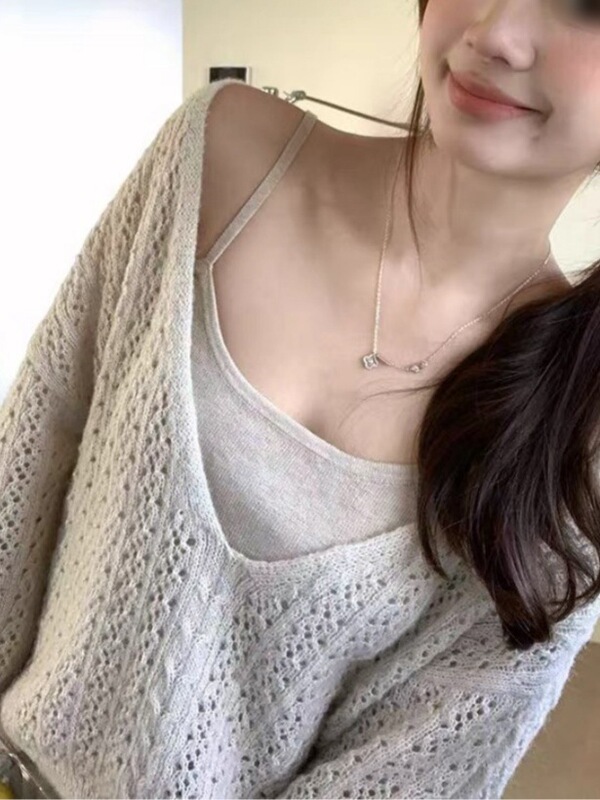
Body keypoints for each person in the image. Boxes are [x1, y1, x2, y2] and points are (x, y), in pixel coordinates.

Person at [1, 1, 600, 797]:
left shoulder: (576, 444)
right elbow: (32, 450)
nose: (493, 32)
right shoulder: (220, 156)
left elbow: (411, 775)